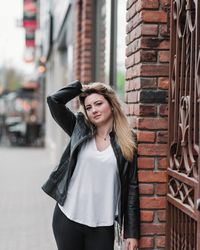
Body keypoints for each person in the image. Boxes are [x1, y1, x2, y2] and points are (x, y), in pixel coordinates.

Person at [42, 80, 140, 250]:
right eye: (88, 107)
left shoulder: (127, 140)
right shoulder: (79, 128)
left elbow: (132, 186)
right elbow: (53, 101)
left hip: (103, 224)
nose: (94, 110)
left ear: (111, 104)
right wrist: (79, 87)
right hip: (68, 218)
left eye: (98, 103)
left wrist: (131, 232)